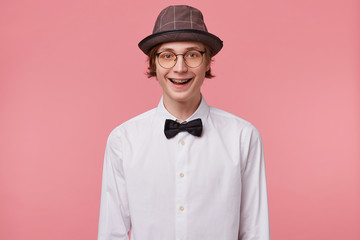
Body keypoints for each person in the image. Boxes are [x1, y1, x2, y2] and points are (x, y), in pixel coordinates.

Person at [98, 5, 270, 240]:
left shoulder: (243, 136)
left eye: (192, 55)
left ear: (208, 62)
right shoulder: (123, 140)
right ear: (154, 64)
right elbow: (112, 233)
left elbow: (255, 232)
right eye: (167, 56)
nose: (180, 68)